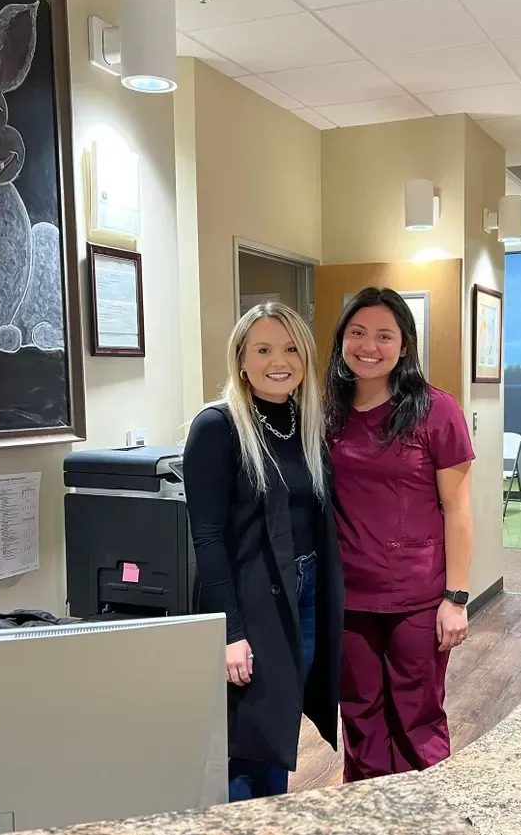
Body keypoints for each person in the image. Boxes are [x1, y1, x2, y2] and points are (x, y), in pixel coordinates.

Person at [183, 301, 343, 802]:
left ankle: (272, 816)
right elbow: (207, 538)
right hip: (249, 599)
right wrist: (230, 633)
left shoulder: (304, 421)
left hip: (304, 593)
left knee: (279, 721)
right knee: (248, 734)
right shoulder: (218, 426)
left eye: (292, 349)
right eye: (264, 349)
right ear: (241, 360)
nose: (280, 361)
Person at [324, 287, 474, 783]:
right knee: (360, 716)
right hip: (348, 594)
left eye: (384, 336)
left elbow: (458, 510)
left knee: (418, 717)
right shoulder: (326, 412)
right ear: (341, 340)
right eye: (357, 333)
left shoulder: (437, 410)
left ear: (405, 344)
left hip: (418, 596)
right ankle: (368, 811)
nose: (370, 346)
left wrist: (456, 598)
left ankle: (426, 813)